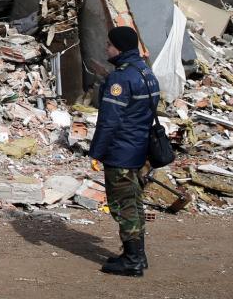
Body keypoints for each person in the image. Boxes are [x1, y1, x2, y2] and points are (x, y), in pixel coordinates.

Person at [88, 25, 161, 278]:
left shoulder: (120, 78)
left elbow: (110, 120)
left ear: (118, 47)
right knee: (135, 203)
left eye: (108, 44)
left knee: (123, 206)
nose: (106, 48)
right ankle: (137, 255)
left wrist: (96, 152)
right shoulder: (145, 72)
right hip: (139, 149)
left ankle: (132, 261)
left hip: (121, 151)